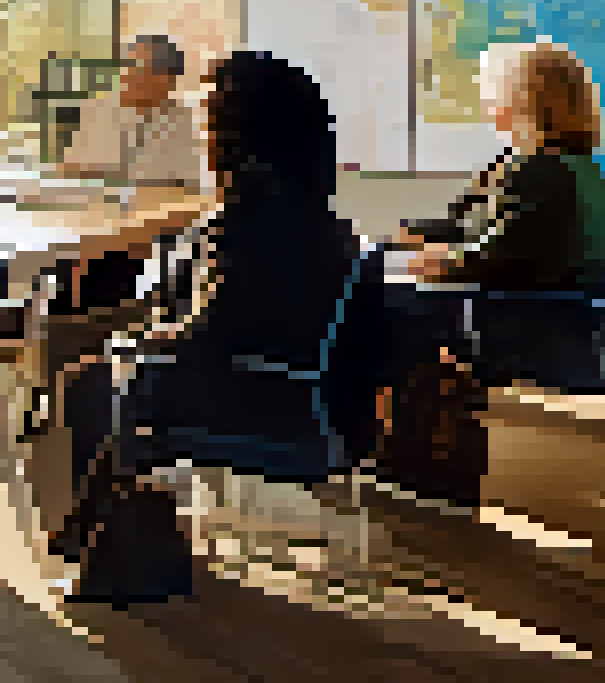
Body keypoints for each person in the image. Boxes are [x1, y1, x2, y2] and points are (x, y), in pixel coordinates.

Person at [50, 51, 377, 605]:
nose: (203, 136)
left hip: (265, 402)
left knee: (95, 383)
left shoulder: (251, 224)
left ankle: (117, 546)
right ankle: (103, 537)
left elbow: (213, 333)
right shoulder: (320, 221)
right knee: (106, 375)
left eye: (211, 121)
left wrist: (143, 343)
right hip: (308, 404)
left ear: (241, 134)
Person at [374, 39, 605, 506]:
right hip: (540, 314)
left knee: (382, 314)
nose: (483, 95)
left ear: (523, 97)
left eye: (491, 85)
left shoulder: (540, 171)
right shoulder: (551, 164)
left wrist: (440, 261)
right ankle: (404, 453)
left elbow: (495, 255)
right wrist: (415, 237)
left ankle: (402, 462)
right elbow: (471, 225)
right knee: (392, 304)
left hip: (521, 322)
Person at [50, 34, 209, 317]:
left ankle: (88, 327)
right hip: (90, 220)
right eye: (127, 67)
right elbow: (70, 173)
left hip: (145, 228)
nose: (126, 76)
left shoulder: (181, 118)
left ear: (166, 79)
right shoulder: (98, 109)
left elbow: (189, 189)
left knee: (113, 264)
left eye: (136, 68)